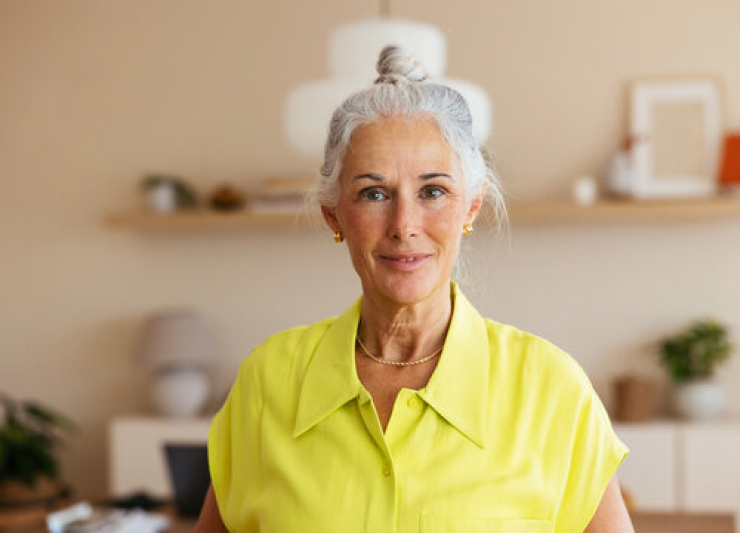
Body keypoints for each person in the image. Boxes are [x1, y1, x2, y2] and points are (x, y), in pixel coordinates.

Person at [196, 46, 632, 533]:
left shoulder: (553, 390)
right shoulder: (266, 382)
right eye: (373, 193)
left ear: (470, 207)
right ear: (334, 215)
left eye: (433, 191)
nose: (404, 225)